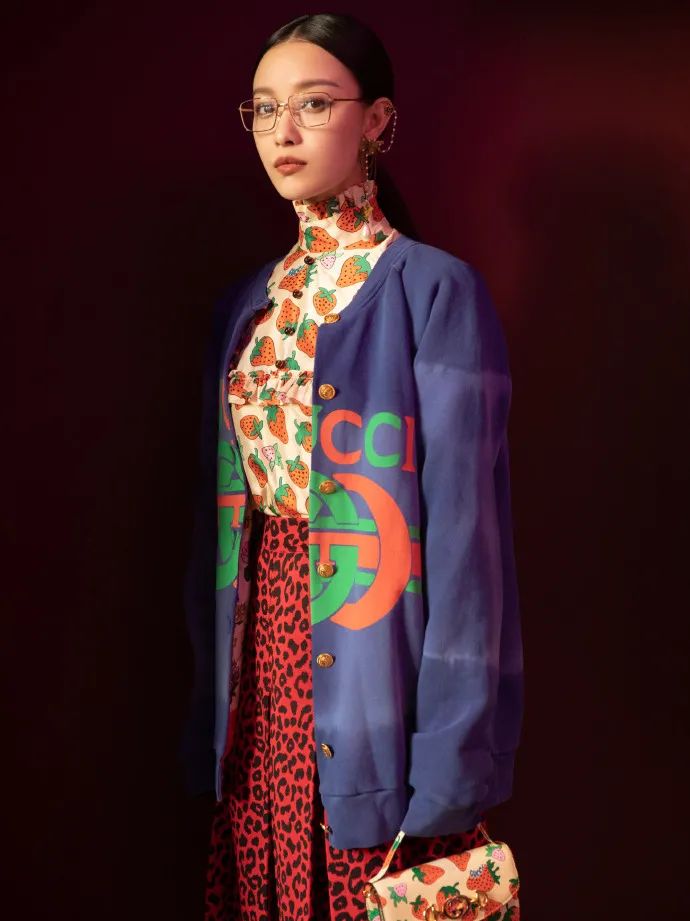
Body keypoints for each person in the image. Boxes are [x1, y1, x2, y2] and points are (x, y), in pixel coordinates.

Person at [179, 12, 525, 921]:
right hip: (260, 669)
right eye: (264, 108)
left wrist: (452, 759)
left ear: (376, 120)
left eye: (314, 103)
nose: (283, 130)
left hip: (376, 659)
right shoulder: (248, 306)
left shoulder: (434, 290)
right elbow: (221, 525)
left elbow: (467, 549)